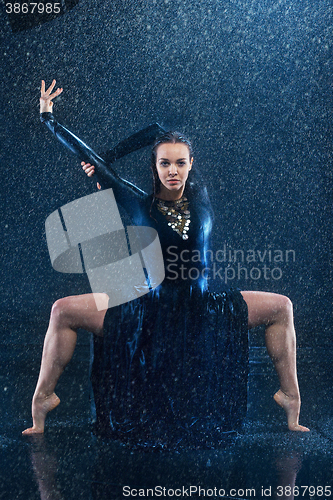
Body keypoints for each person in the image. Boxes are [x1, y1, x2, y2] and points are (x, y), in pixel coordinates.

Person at [22, 80, 309, 445]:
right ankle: (43, 397)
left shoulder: (199, 193)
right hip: (151, 311)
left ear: (191, 165)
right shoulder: (137, 202)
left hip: (202, 308)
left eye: (180, 162)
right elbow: (98, 158)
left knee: (282, 307)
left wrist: (142, 144)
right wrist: (52, 121)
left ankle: (290, 397)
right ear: (154, 166)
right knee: (62, 310)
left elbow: (159, 129)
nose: (173, 170)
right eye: (164, 163)